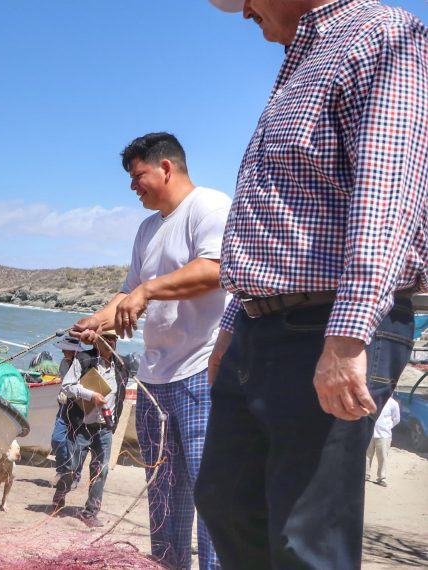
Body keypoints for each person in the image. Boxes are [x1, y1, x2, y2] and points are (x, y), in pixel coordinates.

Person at [198, 2, 428, 568]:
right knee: (224, 502)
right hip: (259, 325)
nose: (243, 10)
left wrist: (348, 336)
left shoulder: (381, 34)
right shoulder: (300, 60)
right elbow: (275, 216)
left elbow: (387, 196)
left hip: (329, 326)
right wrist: (231, 325)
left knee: (305, 540)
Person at [72, 133, 230, 569]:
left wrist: (146, 291)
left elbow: (215, 270)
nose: (132, 186)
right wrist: (96, 322)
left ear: (166, 168)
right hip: (155, 380)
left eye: (137, 175)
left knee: (211, 495)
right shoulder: (146, 229)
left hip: (204, 373)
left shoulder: (210, 206)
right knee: (164, 501)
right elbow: (127, 294)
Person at [52, 330, 129, 528]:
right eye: (108, 338)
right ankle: (60, 494)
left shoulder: (121, 366)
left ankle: (91, 512)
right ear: (97, 341)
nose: (112, 341)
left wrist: (114, 421)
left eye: (115, 338)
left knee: (100, 471)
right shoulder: (84, 359)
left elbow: (120, 396)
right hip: (82, 425)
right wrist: (90, 395)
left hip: (105, 428)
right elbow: (67, 386)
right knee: (72, 468)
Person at [49, 335, 96, 488]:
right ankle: (62, 470)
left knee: (77, 445)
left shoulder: (85, 363)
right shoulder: (63, 363)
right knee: (57, 439)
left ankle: (74, 475)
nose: (63, 351)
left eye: (66, 349)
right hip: (64, 406)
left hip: (79, 408)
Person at [367, 396, 401, 487]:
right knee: (367, 455)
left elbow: (397, 419)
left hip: (384, 435)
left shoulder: (393, 403)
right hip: (370, 433)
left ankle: (382, 478)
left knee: (382, 457)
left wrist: (388, 427)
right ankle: (366, 474)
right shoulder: (372, 399)